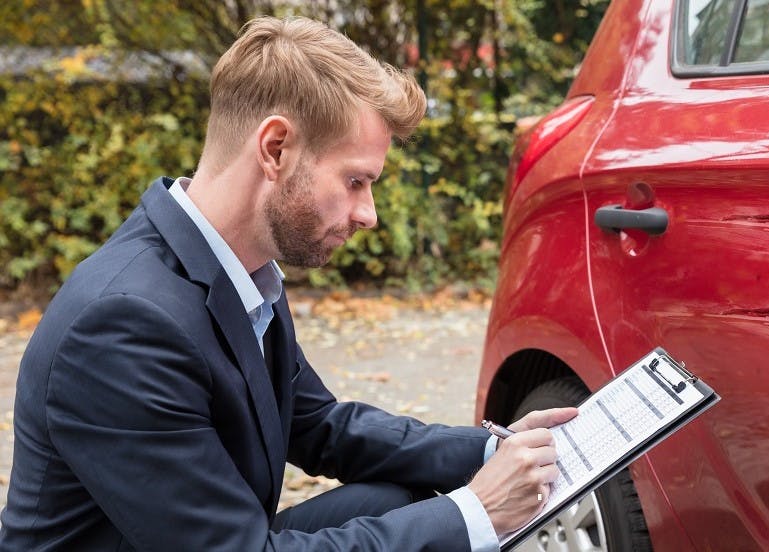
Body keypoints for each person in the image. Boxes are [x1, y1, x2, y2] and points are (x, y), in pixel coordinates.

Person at [0, 15, 577, 551]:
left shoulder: (237, 272)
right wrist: (477, 511)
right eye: (355, 181)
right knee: (442, 525)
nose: (368, 214)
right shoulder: (124, 324)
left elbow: (320, 425)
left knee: (397, 500)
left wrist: (491, 450)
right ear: (275, 149)